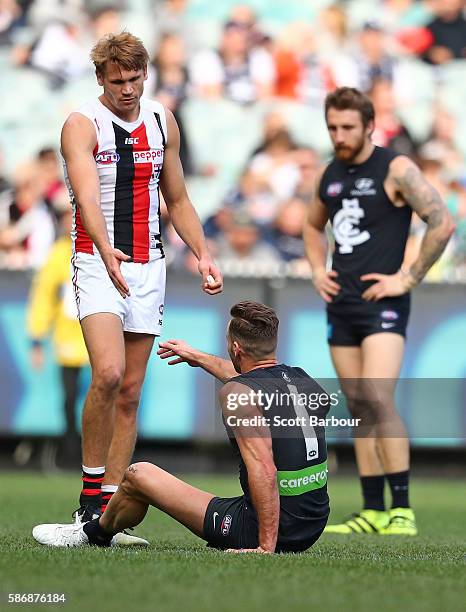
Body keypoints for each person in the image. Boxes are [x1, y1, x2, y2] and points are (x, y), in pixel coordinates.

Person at [34, 31, 222, 545]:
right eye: (117, 80)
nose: (128, 89)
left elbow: (178, 198)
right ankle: (87, 502)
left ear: (145, 74)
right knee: (109, 374)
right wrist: (105, 249)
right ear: (100, 78)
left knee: (132, 390)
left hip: (149, 266)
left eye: (135, 78)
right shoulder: (81, 123)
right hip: (97, 261)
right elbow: (87, 198)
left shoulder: (162, 121)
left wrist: (203, 253)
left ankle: (109, 516)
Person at [33, 301, 330, 553]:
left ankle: (91, 532)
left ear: (236, 348)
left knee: (138, 475)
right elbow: (254, 379)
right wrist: (198, 357)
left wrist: (265, 547)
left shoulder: (238, 394)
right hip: (312, 524)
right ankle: (101, 529)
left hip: (265, 529)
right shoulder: (302, 381)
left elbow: (264, 469)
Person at [303, 87, 454, 535]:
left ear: (369, 125)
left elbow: (442, 222)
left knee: (378, 396)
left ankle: (401, 509)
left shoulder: (396, 168)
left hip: (384, 305)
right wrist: (316, 268)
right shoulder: (328, 174)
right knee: (358, 405)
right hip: (341, 303)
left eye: (348, 127)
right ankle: (372, 510)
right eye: (332, 127)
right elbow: (312, 227)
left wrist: (407, 278)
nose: (339, 135)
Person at [27, 207, 88, 468]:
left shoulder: (99, 249)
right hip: (69, 340)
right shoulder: (58, 254)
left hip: (99, 337)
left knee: (104, 396)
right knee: (71, 398)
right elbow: (43, 296)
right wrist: (37, 338)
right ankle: (72, 451)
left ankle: (101, 452)